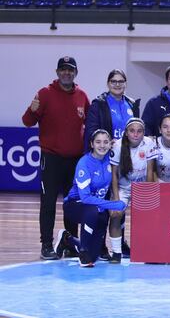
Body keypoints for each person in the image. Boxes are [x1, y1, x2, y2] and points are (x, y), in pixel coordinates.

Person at [22, 56, 90, 260]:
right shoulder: (45, 94)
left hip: (75, 160)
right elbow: (27, 121)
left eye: (70, 70)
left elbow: (90, 124)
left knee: (72, 202)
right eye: (63, 69)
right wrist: (32, 110)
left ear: (75, 73)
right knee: (48, 202)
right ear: (57, 72)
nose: (66, 73)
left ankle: (70, 243)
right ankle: (46, 245)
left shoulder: (82, 96)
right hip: (51, 158)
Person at [62, 129, 126, 267]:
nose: (102, 145)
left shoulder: (111, 159)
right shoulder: (84, 163)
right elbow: (85, 198)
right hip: (75, 205)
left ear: (110, 144)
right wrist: (113, 204)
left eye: (105, 142)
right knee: (92, 210)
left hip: (99, 207)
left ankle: (67, 239)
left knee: (94, 255)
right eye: (98, 142)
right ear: (91, 144)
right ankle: (83, 252)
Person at [109, 118, 157, 263]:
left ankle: (145, 250)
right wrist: (116, 199)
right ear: (126, 133)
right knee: (115, 215)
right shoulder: (117, 146)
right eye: (132, 131)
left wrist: (147, 194)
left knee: (148, 216)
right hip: (123, 187)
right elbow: (114, 175)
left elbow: (150, 171)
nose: (135, 134)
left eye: (139, 131)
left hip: (141, 186)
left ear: (143, 133)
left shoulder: (149, 143)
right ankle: (116, 252)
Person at [84, 69, 140, 148]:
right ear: (108, 84)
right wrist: (107, 142)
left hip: (130, 151)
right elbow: (91, 132)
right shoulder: (98, 104)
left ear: (126, 84)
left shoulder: (132, 104)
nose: (117, 85)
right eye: (113, 81)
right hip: (106, 152)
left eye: (121, 81)